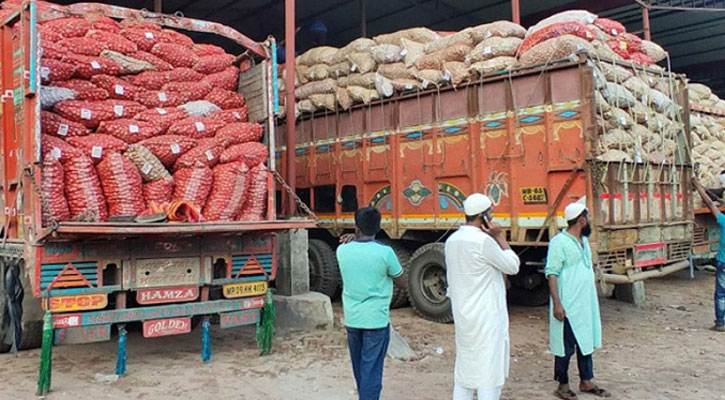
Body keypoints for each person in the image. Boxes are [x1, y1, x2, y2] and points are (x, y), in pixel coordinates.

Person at [444, 193, 520, 400]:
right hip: (486, 318)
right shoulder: (483, 242)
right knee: (489, 372)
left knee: (465, 370)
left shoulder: (452, 241)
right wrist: (500, 238)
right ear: (484, 217)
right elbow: (512, 266)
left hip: (463, 315)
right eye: (491, 214)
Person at [336, 206, 406, 400]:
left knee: (360, 370)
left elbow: (353, 248)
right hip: (376, 320)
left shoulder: (342, 251)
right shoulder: (386, 253)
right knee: (372, 371)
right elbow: (402, 281)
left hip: (353, 319)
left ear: (356, 227)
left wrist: (352, 238)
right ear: (378, 227)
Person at [546, 202, 610, 400]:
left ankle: (586, 381)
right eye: (588, 218)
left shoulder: (584, 241)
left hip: (585, 304)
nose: (589, 222)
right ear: (581, 220)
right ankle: (562, 384)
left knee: (586, 341)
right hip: (568, 304)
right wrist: (557, 303)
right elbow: (552, 273)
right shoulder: (559, 242)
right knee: (565, 346)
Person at [693, 178, 725, 332]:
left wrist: (699, 188)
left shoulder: (724, 221)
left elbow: (711, 205)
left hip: (723, 262)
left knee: (720, 294)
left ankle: (720, 323)